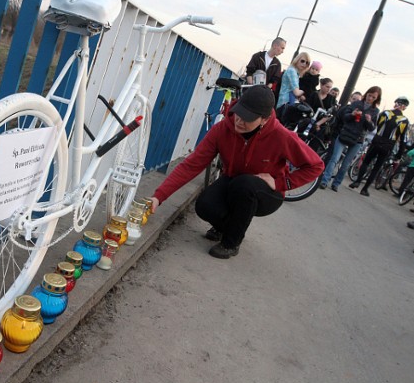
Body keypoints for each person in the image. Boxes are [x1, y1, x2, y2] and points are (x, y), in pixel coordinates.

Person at [149, 85, 324, 259]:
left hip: (266, 192)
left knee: (245, 185)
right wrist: (159, 196)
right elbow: (192, 165)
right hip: (233, 180)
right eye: (239, 114)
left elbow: (316, 166)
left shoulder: (282, 136)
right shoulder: (222, 129)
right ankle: (228, 228)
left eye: (248, 118)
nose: (239, 121)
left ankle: (231, 243)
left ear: (264, 119)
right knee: (204, 205)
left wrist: (282, 183)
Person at [319, 86, 381, 192]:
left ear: (376, 99)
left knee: (346, 164)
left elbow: (372, 128)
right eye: (369, 95)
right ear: (366, 94)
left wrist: (369, 121)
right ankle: (324, 180)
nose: (370, 98)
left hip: (358, 139)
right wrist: (352, 114)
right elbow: (345, 117)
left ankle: (336, 183)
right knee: (334, 159)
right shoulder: (356, 104)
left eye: (373, 97)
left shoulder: (375, 111)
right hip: (345, 134)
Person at [349, 96, 410, 196]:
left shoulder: (385, 113)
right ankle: (365, 189)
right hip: (388, 145)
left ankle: (357, 181)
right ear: (404, 107)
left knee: (366, 162)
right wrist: (399, 155)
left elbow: (376, 124)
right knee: (377, 167)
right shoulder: (405, 121)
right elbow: (404, 140)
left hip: (377, 141)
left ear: (396, 104)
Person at [276, 52, 312, 118]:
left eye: (307, 63)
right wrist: (304, 91)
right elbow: (296, 92)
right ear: (297, 60)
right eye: (302, 61)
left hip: (285, 103)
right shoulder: (292, 71)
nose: (304, 64)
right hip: (286, 103)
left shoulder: (295, 72)